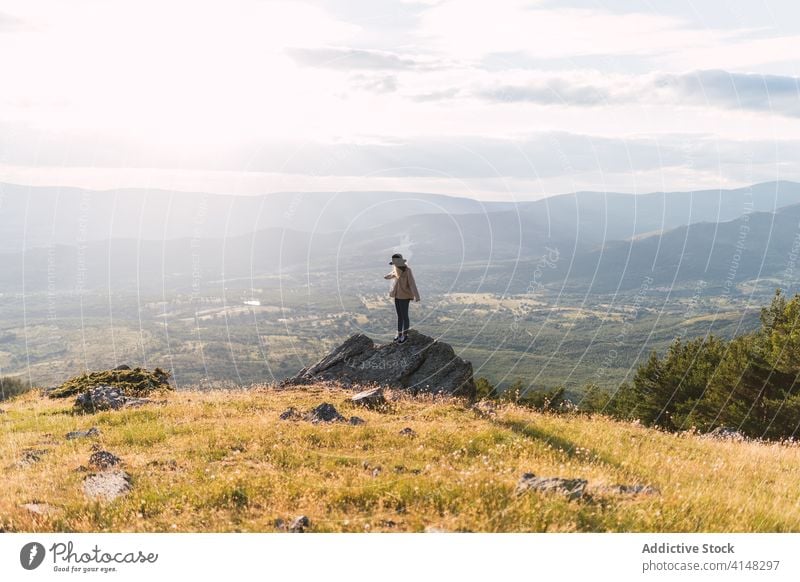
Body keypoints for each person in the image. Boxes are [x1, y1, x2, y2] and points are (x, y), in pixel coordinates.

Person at [383, 253, 420, 343]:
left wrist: (417, 296)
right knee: (399, 316)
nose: (394, 264)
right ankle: (399, 334)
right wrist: (386, 276)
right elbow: (391, 275)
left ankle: (405, 335)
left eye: (395, 262)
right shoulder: (396, 270)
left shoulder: (407, 270)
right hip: (397, 295)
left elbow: (412, 283)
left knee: (404, 316)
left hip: (405, 296)